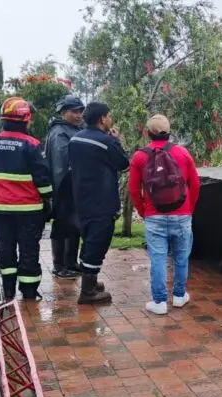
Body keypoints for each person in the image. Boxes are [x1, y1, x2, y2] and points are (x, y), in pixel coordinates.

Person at [129, 114, 200, 315]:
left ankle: (159, 302)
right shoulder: (183, 153)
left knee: (158, 259)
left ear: (147, 133)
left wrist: (144, 212)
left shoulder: (139, 157)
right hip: (182, 215)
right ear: (169, 132)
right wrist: (190, 209)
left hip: (154, 216)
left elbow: (134, 190)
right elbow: (194, 184)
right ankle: (179, 296)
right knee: (181, 258)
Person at [0, 97, 52, 301]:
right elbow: (43, 179)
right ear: (26, 119)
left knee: (5, 247)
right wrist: (48, 199)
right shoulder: (31, 145)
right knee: (28, 249)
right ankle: (29, 291)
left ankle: (9, 290)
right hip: (28, 209)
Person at [68, 102, 130, 304]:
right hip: (102, 201)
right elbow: (124, 163)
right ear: (103, 118)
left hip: (81, 199)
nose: (110, 118)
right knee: (98, 243)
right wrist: (116, 139)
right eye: (109, 115)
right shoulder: (106, 142)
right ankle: (87, 292)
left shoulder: (75, 139)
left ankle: (91, 282)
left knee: (89, 239)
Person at [43, 95, 85, 280]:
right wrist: (62, 191)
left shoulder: (73, 129)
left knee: (75, 225)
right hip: (64, 187)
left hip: (76, 187)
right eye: (74, 111)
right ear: (63, 112)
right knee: (61, 226)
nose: (79, 115)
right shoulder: (60, 132)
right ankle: (58, 265)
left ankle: (71, 262)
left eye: (80, 111)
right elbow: (61, 165)